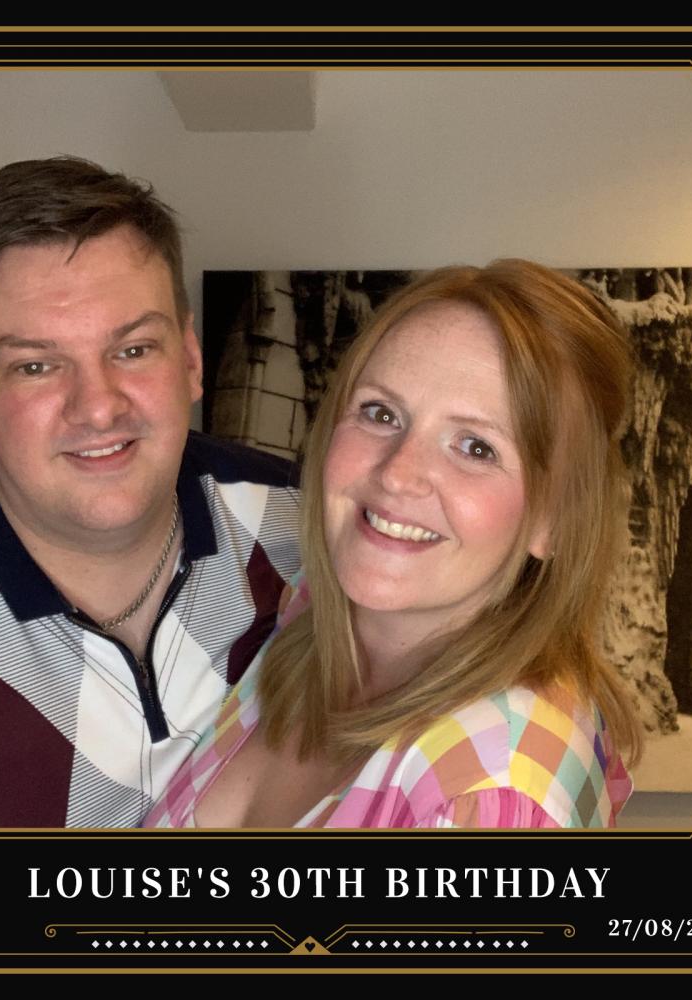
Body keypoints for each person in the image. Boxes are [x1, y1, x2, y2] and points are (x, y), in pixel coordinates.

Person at [0, 157, 301, 828]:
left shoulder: (313, 531)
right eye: (36, 365)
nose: (99, 407)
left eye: (133, 350)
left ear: (191, 360)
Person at [147, 261, 640, 829]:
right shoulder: (308, 613)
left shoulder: (491, 800)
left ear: (553, 520)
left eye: (476, 447)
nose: (398, 474)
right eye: (380, 413)